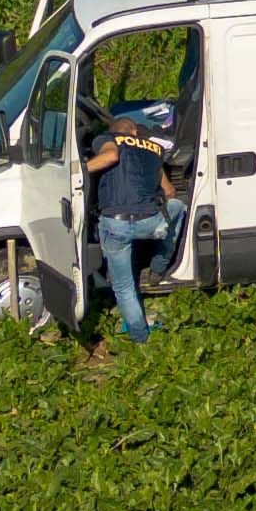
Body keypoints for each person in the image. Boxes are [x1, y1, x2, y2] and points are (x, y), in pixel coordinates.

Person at [85, 115, 185, 343]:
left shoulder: (106, 139)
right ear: (135, 132)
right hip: (150, 222)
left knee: (124, 287)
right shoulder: (154, 148)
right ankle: (159, 267)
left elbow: (110, 156)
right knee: (178, 208)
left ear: (115, 132)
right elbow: (169, 192)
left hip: (117, 224)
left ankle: (140, 341)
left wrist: (76, 170)